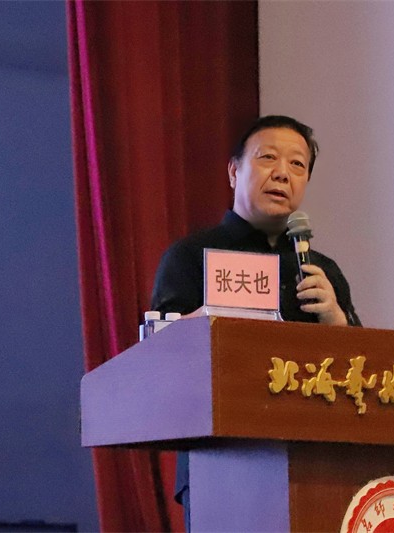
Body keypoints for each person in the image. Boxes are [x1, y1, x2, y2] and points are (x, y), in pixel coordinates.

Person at [150, 115, 361, 526]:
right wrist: (208, 318)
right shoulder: (190, 256)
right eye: (268, 158)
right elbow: (156, 358)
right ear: (234, 171)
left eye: (297, 165)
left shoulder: (322, 270)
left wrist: (336, 318)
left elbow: (360, 370)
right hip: (220, 461)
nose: (282, 173)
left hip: (315, 461)